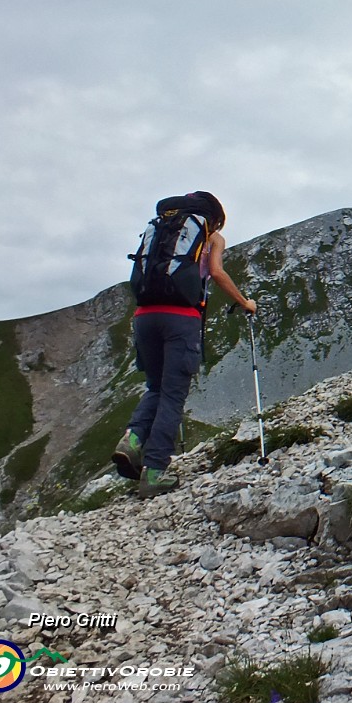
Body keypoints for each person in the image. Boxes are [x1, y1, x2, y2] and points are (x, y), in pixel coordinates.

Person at [113, 192, 257, 498]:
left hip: (144, 316)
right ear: (215, 217)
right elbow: (216, 272)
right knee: (173, 395)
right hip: (180, 319)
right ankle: (153, 472)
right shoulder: (211, 236)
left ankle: (133, 439)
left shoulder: (160, 229)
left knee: (155, 386)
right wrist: (245, 302)